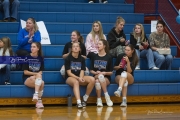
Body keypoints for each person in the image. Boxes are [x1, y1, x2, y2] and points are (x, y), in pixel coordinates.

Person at [65, 42, 95, 108]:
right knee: (76, 82)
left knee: (92, 79)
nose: (75, 47)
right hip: (70, 77)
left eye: (77, 46)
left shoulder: (82, 59)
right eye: (74, 46)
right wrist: (78, 78)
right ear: (72, 49)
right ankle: (78, 102)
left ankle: (85, 99)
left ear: (79, 49)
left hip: (79, 76)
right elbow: (69, 73)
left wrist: (81, 77)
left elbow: (82, 70)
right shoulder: (68, 58)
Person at [90, 39, 113, 107]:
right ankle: (107, 96)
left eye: (100, 44)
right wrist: (96, 72)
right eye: (97, 44)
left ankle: (99, 100)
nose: (98, 45)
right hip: (96, 75)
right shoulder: (94, 56)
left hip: (106, 78)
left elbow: (111, 72)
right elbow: (91, 70)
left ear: (104, 46)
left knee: (98, 81)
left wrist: (104, 73)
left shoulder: (109, 57)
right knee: (98, 77)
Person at [23, 42, 44, 109]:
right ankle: (39, 100)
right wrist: (35, 74)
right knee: (41, 83)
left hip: (36, 78)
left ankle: (36, 96)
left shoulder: (40, 58)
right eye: (31, 47)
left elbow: (41, 71)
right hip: (27, 78)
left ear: (38, 48)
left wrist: (35, 76)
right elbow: (25, 72)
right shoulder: (27, 57)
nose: (32, 48)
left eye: (34, 47)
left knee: (42, 82)